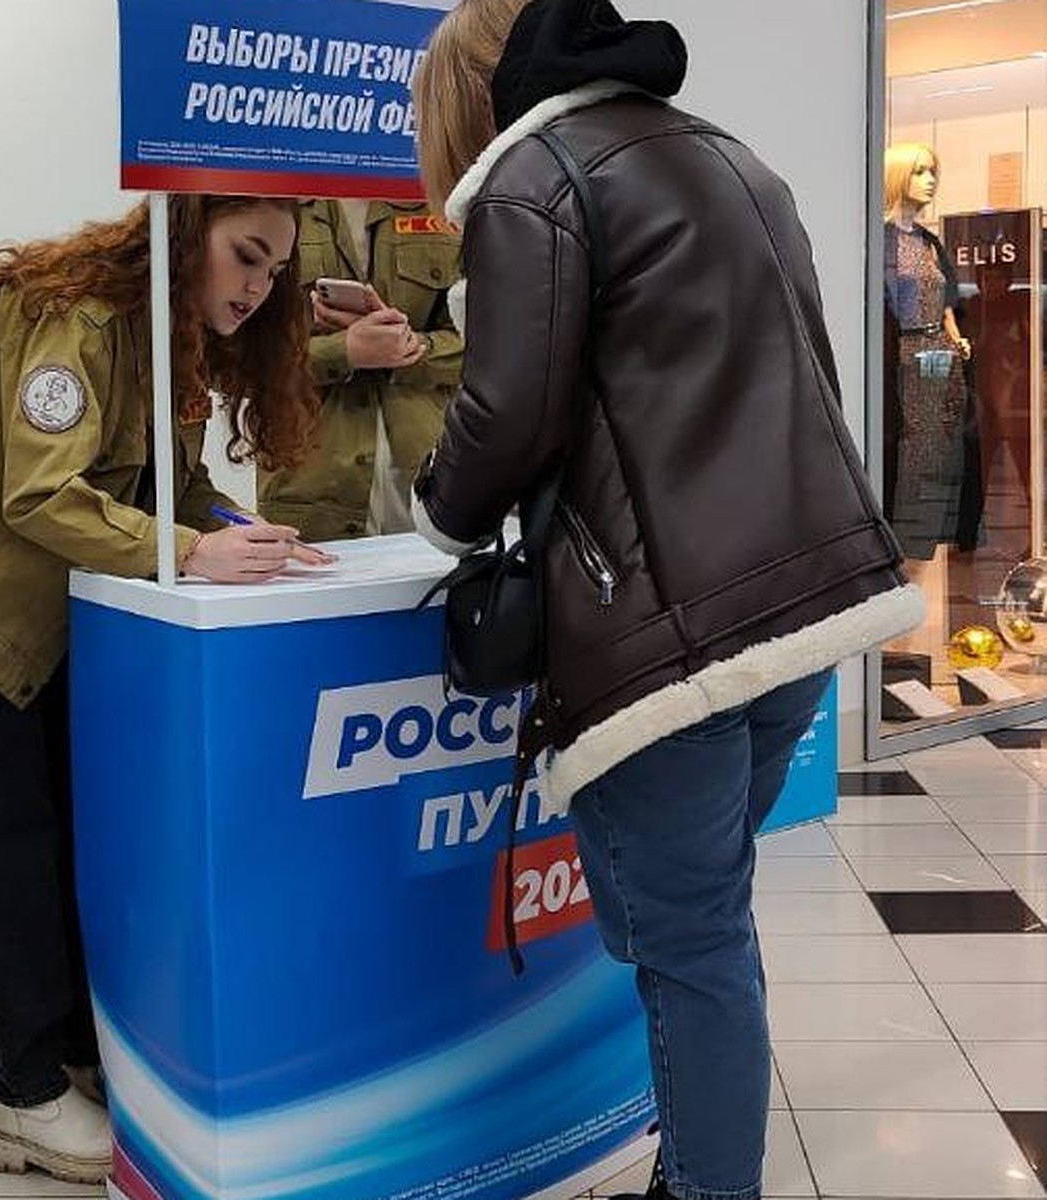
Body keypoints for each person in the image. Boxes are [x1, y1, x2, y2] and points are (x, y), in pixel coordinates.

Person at [409, 3, 924, 1198]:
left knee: (687, 945)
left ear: (466, 104)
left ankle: (702, 1185)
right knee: (691, 927)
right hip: (807, 608)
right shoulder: (732, 156)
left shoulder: (531, 180)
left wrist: (435, 513)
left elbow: (508, 415)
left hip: (668, 640)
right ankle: (693, 1168)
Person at [0, 195, 329, 1184]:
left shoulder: (164, 337)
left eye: (275, 271)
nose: (257, 284)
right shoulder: (77, 318)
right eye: (246, 255)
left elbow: (176, 487)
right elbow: (42, 492)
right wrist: (196, 551)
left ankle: (71, 1050)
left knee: (69, 830)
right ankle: (22, 1096)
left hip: (27, 618)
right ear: (186, 239)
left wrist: (245, 532)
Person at [255, 199, 463, 540]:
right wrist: (345, 351)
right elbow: (233, 360)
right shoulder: (276, 199)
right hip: (309, 489)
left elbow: (485, 342)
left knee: (441, 592)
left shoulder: (434, 197)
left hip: (429, 481)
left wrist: (411, 346)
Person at [882, 142, 976, 564]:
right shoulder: (881, 239)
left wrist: (955, 337)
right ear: (899, 176)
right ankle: (901, 540)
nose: (931, 180)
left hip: (937, 351)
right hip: (903, 351)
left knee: (939, 442)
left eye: (933, 171)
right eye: (920, 171)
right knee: (911, 443)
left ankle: (931, 535)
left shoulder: (930, 242)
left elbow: (947, 298)